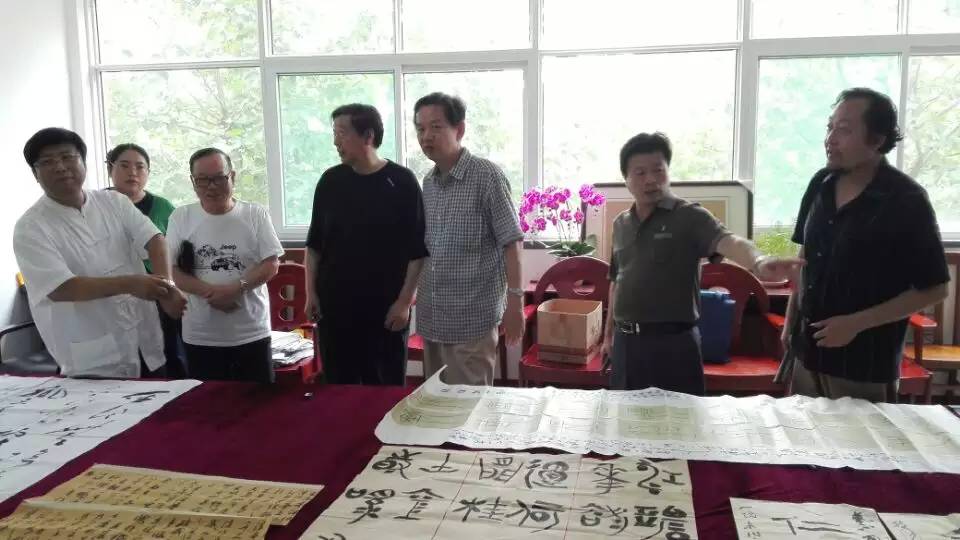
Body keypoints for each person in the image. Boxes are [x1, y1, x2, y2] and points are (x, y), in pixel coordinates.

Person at [600, 132, 805, 395]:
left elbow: (728, 241)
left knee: (681, 418)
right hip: (626, 345)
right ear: (626, 180)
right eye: (640, 172)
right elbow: (617, 281)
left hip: (674, 345)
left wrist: (759, 260)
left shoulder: (690, 217)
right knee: (626, 417)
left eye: (658, 170)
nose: (650, 179)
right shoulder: (621, 224)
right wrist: (608, 337)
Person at [783, 88, 949, 402]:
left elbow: (934, 289)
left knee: (857, 436)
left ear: (877, 140)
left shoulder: (906, 200)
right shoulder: (820, 183)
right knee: (801, 433)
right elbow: (804, 258)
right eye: (830, 127)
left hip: (863, 365)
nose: (830, 139)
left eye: (844, 130)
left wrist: (856, 324)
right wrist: (791, 322)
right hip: (807, 355)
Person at [13, 127, 187, 378]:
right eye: (47, 162)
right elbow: (61, 288)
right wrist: (132, 283)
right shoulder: (31, 227)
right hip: (92, 356)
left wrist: (167, 287)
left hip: (145, 341)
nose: (60, 167)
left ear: (83, 163)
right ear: (35, 174)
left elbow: (155, 239)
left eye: (67, 157)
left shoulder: (114, 202)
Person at [305, 104, 428, 385]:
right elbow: (314, 247)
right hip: (335, 308)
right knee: (338, 386)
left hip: (385, 309)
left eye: (342, 133)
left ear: (368, 135)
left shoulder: (402, 182)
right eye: (334, 133)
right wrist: (310, 293)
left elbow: (417, 253)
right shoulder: (330, 181)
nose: (335, 142)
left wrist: (404, 303)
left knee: (384, 388)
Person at [413, 92, 524, 386]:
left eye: (436, 127)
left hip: (472, 319)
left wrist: (515, 303)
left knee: (470, 405)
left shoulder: (487, 176)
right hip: (433, 317)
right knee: (436, 401)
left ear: (459, 129)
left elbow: (512, 241)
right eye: (420, 129)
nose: (426, 136)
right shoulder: (428, 182)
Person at [167, 148, 284, 383]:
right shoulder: (181, 217)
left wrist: (235, 289)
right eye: (202, 180)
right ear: (193, 181)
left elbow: (271, 263)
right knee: (207, 401)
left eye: (219, 178)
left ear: (232, 176)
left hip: (251, 331)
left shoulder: (255, 214)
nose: (211, 187)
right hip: (201, 334)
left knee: (259, 400)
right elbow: (173, 270)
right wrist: (212, 293)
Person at [106, 143, 187, 378]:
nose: (133, 172)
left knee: (168, 354)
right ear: (110, 169)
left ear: (148, 172)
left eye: (140, 167)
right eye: (124, 166)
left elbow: (178, 250)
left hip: (159, 291)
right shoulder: (97, 204)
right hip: (112, 295)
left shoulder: (163, 207)